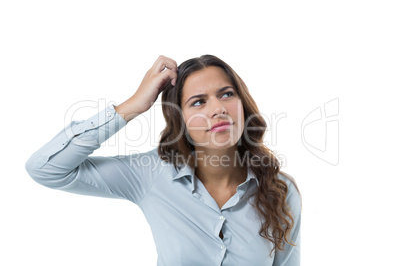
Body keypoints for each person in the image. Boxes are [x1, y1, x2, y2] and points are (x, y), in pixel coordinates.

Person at [25, 55, 302, 265]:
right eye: (198, 102)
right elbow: (46, 168)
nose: (218, 109)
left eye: (226, 94)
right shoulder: (152, 174)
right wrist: (133, 104)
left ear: (243, 103)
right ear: (178, 118)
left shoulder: (280, 190)